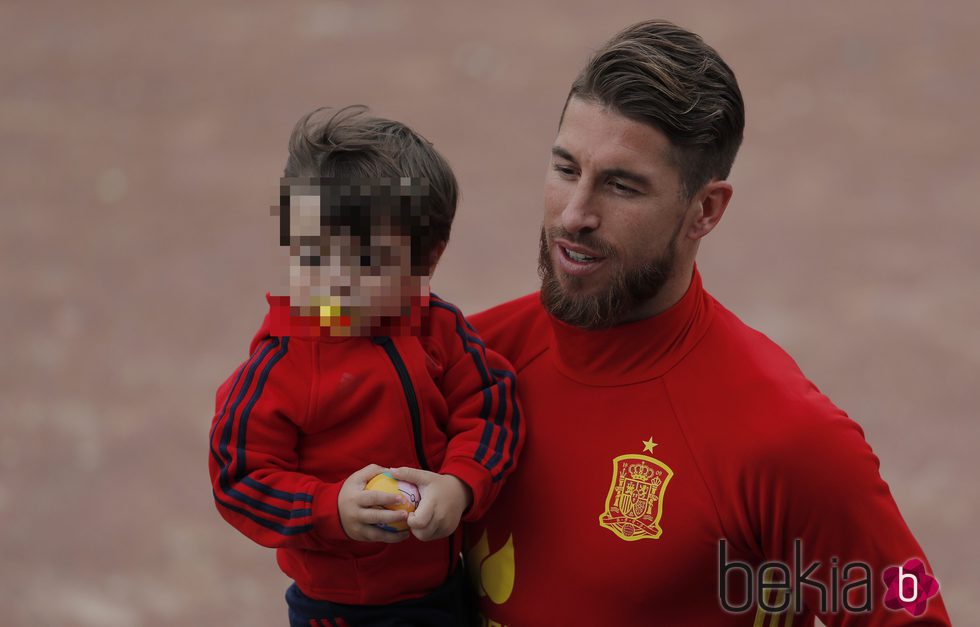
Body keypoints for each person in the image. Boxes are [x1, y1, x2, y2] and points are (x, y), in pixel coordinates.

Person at [463, 20, 951, 626]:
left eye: (622, 186)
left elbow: (913, 609)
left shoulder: (790, 439)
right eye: (566, 169)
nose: (576, 214)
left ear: (704, 211)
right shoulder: (467, 362)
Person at [208, 105, 522, 627]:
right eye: (311, 255)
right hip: (340, 611)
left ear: (427, 260)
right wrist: (329, 509)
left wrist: (461, 484)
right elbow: (237, 476)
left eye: (366, 262)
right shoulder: (281, 366)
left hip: (445, 586)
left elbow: (492, 406)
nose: (333, 281)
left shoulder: (438, 328)